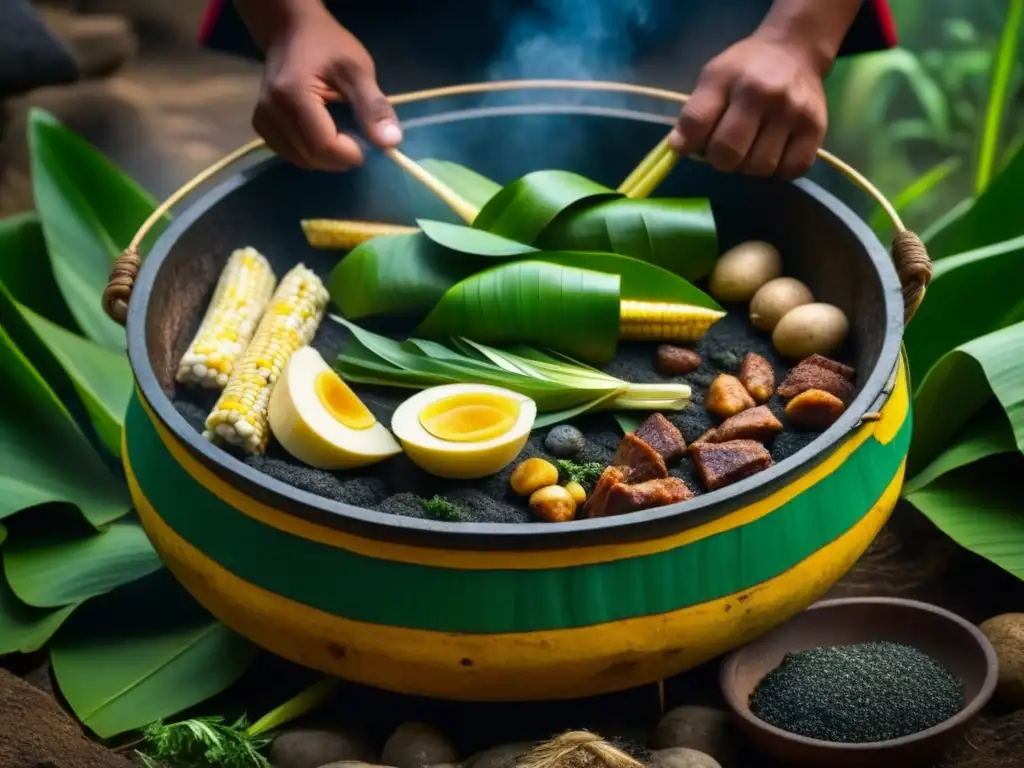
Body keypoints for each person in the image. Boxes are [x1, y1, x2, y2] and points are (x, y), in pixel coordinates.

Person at [199, 0, 897, 179]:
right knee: (376, 170)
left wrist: (799, 34)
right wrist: (290, 17)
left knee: (729, 154)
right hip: (402, 20)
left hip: (700, 21)